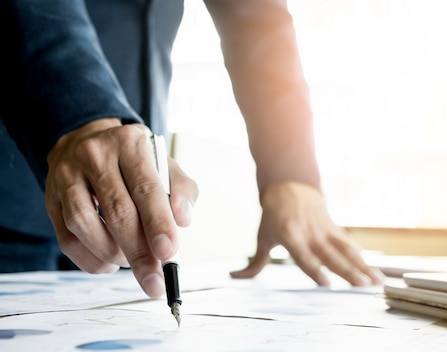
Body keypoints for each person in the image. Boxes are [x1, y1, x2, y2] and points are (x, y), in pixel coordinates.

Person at [0, 0, 383, 298]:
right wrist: (80, 111)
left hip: (135, 194)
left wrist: (290, 175)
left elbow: (256, 18)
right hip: (14, 193)